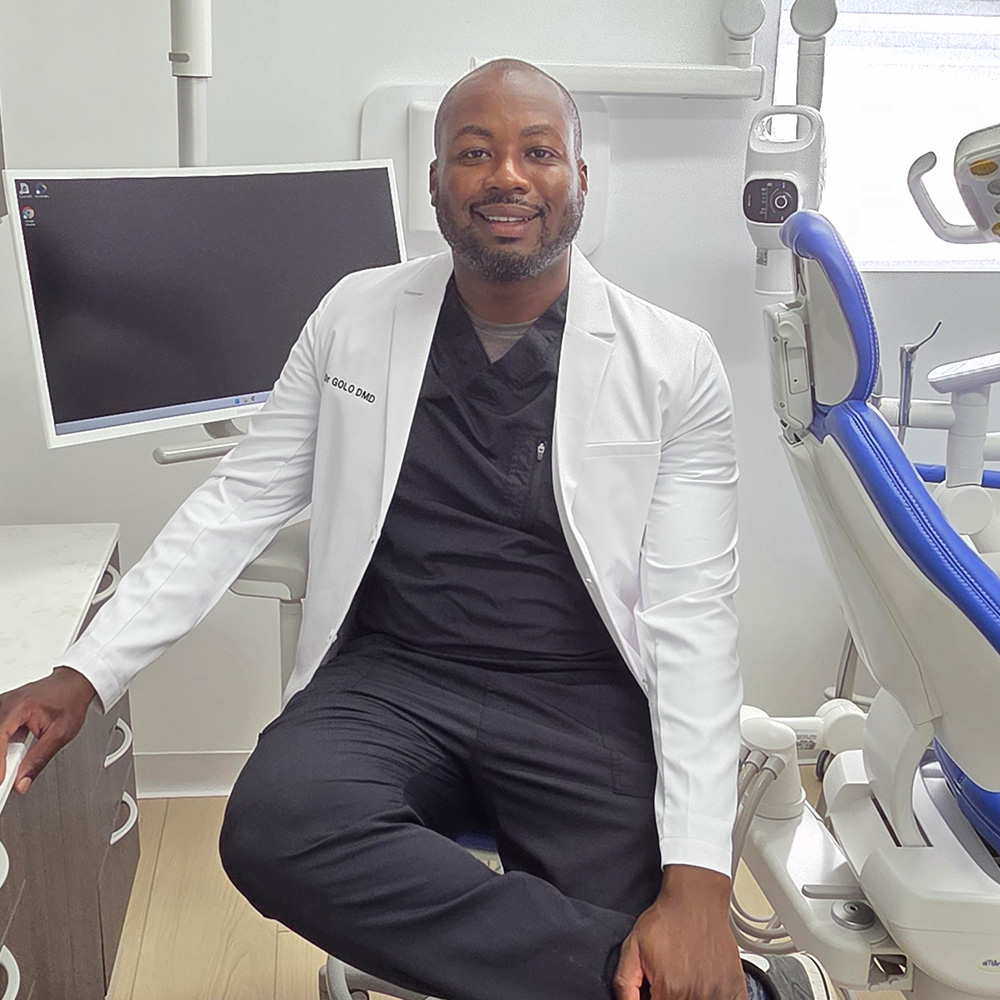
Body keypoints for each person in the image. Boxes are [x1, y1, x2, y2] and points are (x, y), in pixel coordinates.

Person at [0, 60, 834, 1000]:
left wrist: (697, 889)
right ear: (436, 184)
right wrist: (86, 671)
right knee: (276, 828)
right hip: (396, 676)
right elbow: (238, 503)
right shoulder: (353, 315)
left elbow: (692, 614)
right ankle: (655, 980)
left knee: (660, 926)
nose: (507, 177)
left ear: (580, 180)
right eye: (473, 153)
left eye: (538, 152)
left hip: (581, 691)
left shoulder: (672, 361)